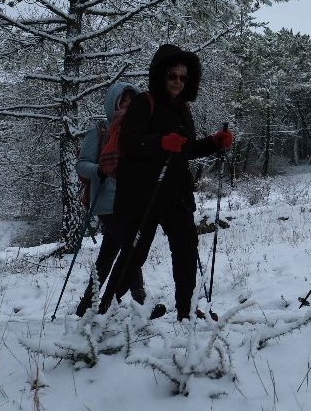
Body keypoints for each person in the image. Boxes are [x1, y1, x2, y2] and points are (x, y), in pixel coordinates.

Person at [103, 43, 234, 320]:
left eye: (183, 77)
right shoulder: (144, 102)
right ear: (160, 75)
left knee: (186, 251)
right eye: (172, 75)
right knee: (134, 256)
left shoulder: (183, 109)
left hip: (175, 194)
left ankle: (185, 313)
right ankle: (101, 310)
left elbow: (184, 151)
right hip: (142, 195)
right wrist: (161, 142)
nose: (177, 82)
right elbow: (131, 142)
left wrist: (213, 142)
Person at [73, 82, 146, 316]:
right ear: (113, 102)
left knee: (107, 257)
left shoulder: (136, 132)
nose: (127, 105)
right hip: (106, 202)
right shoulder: (100, 130)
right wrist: (100, 170)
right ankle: (139, 300)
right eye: (123, 101)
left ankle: (87, 306)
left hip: (130, 200)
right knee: (131, 247)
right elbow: (82, 165)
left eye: (131, 102)